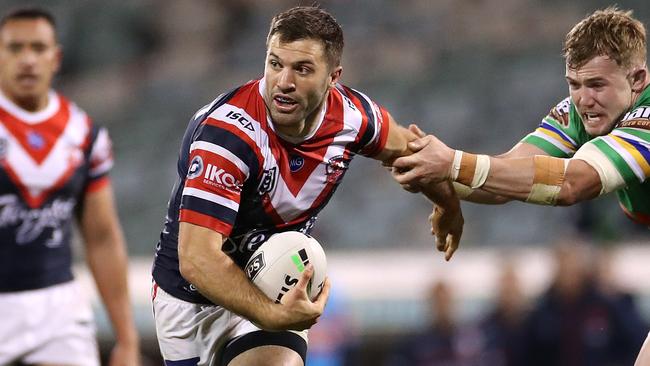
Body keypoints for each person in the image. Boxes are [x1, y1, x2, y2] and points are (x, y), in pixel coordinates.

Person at [151, 6, 464, 366]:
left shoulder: (353, 117)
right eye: (274, 63)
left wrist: (448, 205)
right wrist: (270, 315)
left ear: (334, 77)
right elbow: (197, 260)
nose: (283, 81)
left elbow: (415, 155)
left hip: (273, 283)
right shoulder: (228, 136)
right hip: (191, 299)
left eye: (302, 69)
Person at [391, 7, 650, 364]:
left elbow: (573, 183)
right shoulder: (585, 112)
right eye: (574, 85)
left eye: (597, 85)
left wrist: (451, 163)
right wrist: (428, 172)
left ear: (637, 79)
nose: (583, 99)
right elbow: (505, 176)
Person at [0, 7, 141, 366]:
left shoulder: (83, 134)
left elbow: (102, 238)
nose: (27, 59)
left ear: (56, 57)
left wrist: (126, 338)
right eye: (15, 48)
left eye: (38, 47)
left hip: (58, 308)